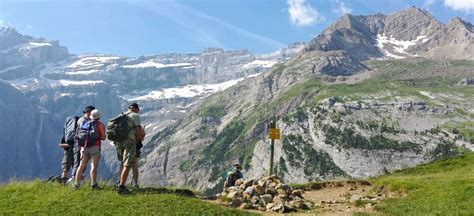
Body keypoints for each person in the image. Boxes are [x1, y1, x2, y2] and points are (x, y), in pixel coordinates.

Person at [116, 103, 145, 194]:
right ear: (136, 109)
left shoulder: (121, 115)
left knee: (121, 163)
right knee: (127, 164)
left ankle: (119, 182)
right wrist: (136, 140)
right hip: (129, 141)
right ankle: (122, 187)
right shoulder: (135, 116)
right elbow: (139, 130)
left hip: (119, 141)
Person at [74, 109, 106, 190]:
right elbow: (103, 137)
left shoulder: (85, 123)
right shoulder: (100, 125)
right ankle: (93, 184)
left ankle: (76, 184)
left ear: (91, 116)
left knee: (81, 165)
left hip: (84, 147)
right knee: (93, 166)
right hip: (95, 147)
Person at [66, 105, 95, 184]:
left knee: (81, 162)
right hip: (79, 144)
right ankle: (74, 179)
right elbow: (84, 130)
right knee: (78, 162)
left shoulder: (85, 119)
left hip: (82, 144)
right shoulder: (83, 120)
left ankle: (78, 179)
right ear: (89, 112)